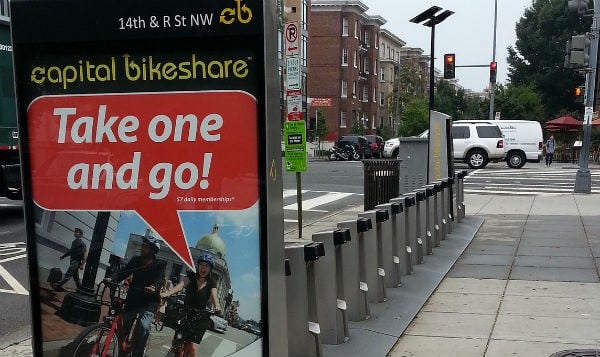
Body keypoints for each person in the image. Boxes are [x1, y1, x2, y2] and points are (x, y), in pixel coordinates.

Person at [107, 235, 166, 357]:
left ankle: (137, 354)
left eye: (146, 246)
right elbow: (123, 272)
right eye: (142, 245)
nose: (142, 247)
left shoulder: (160, 264)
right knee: (124, 326)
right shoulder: (135, 260)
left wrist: (154, 287)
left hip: (149, 302)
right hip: (133, 299)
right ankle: (121, 352)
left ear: (153, 250)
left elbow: (160, 281)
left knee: (143, 326)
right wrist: (112, 278)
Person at [160, 253, 222, 357]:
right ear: (198, 266)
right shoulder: (191, 276)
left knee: (192, 348)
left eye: (207, 265)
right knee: (177, 342)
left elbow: (214, 297)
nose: (203, 267)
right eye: (201, 264)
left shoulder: (212, 282)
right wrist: (167, 293)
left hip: (200, 317)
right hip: (185, 313)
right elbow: (180, 286)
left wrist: (217, 306)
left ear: (210, 268)